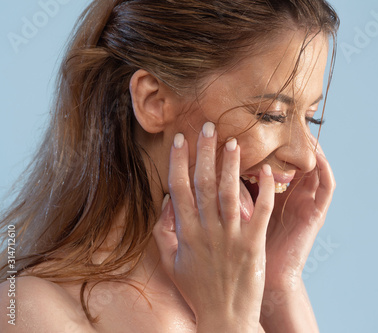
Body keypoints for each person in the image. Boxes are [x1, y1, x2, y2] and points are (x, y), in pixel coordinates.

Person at [0, 0, 339, 331]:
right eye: (272, 115)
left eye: (311, 117)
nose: (306, 157)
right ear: (153, 102)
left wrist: (279, 281)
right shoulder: (27, 311)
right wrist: (227, 321)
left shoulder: (249, 293)